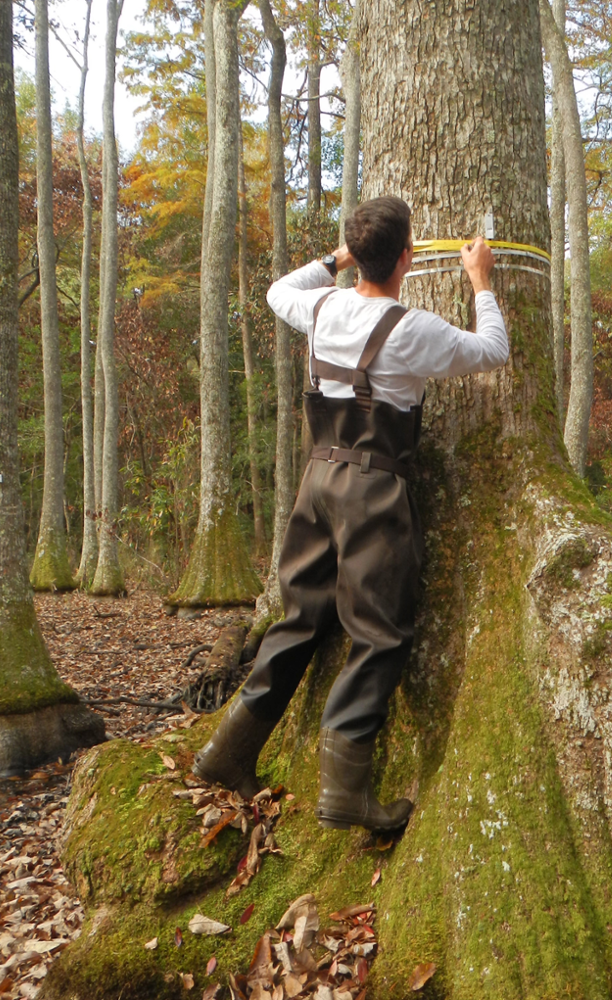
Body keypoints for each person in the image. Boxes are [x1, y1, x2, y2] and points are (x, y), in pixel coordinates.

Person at [193, 196, 508, 832]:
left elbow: (279, 289)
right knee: (378, 635)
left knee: (299, 618)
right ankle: (344, 793)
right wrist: (481, 283)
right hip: (374, 493)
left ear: (354, 256)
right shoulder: (413, 328)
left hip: (317, 484)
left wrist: (333, 260)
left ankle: (226, 752)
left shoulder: (320, 305)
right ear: (408, 258)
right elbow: (493, 349)